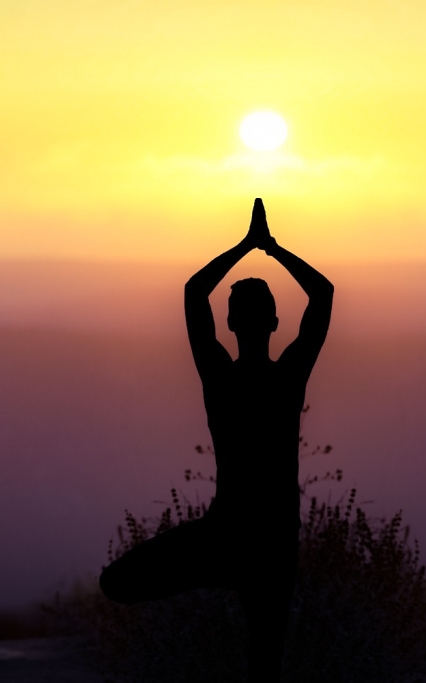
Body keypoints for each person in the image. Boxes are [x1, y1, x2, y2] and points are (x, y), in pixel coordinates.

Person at [99, 198, 334, 682]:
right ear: (274, 323)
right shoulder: (288, 377)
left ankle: (223, 574)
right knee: (265, 665)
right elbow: (323, 294)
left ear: (229, 324)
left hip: (225, 534)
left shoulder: (220, 378)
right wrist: (272, 248)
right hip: (273, 540)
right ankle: (230, 574)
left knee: (117, 583)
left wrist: (245, 245)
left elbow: (193, 292)